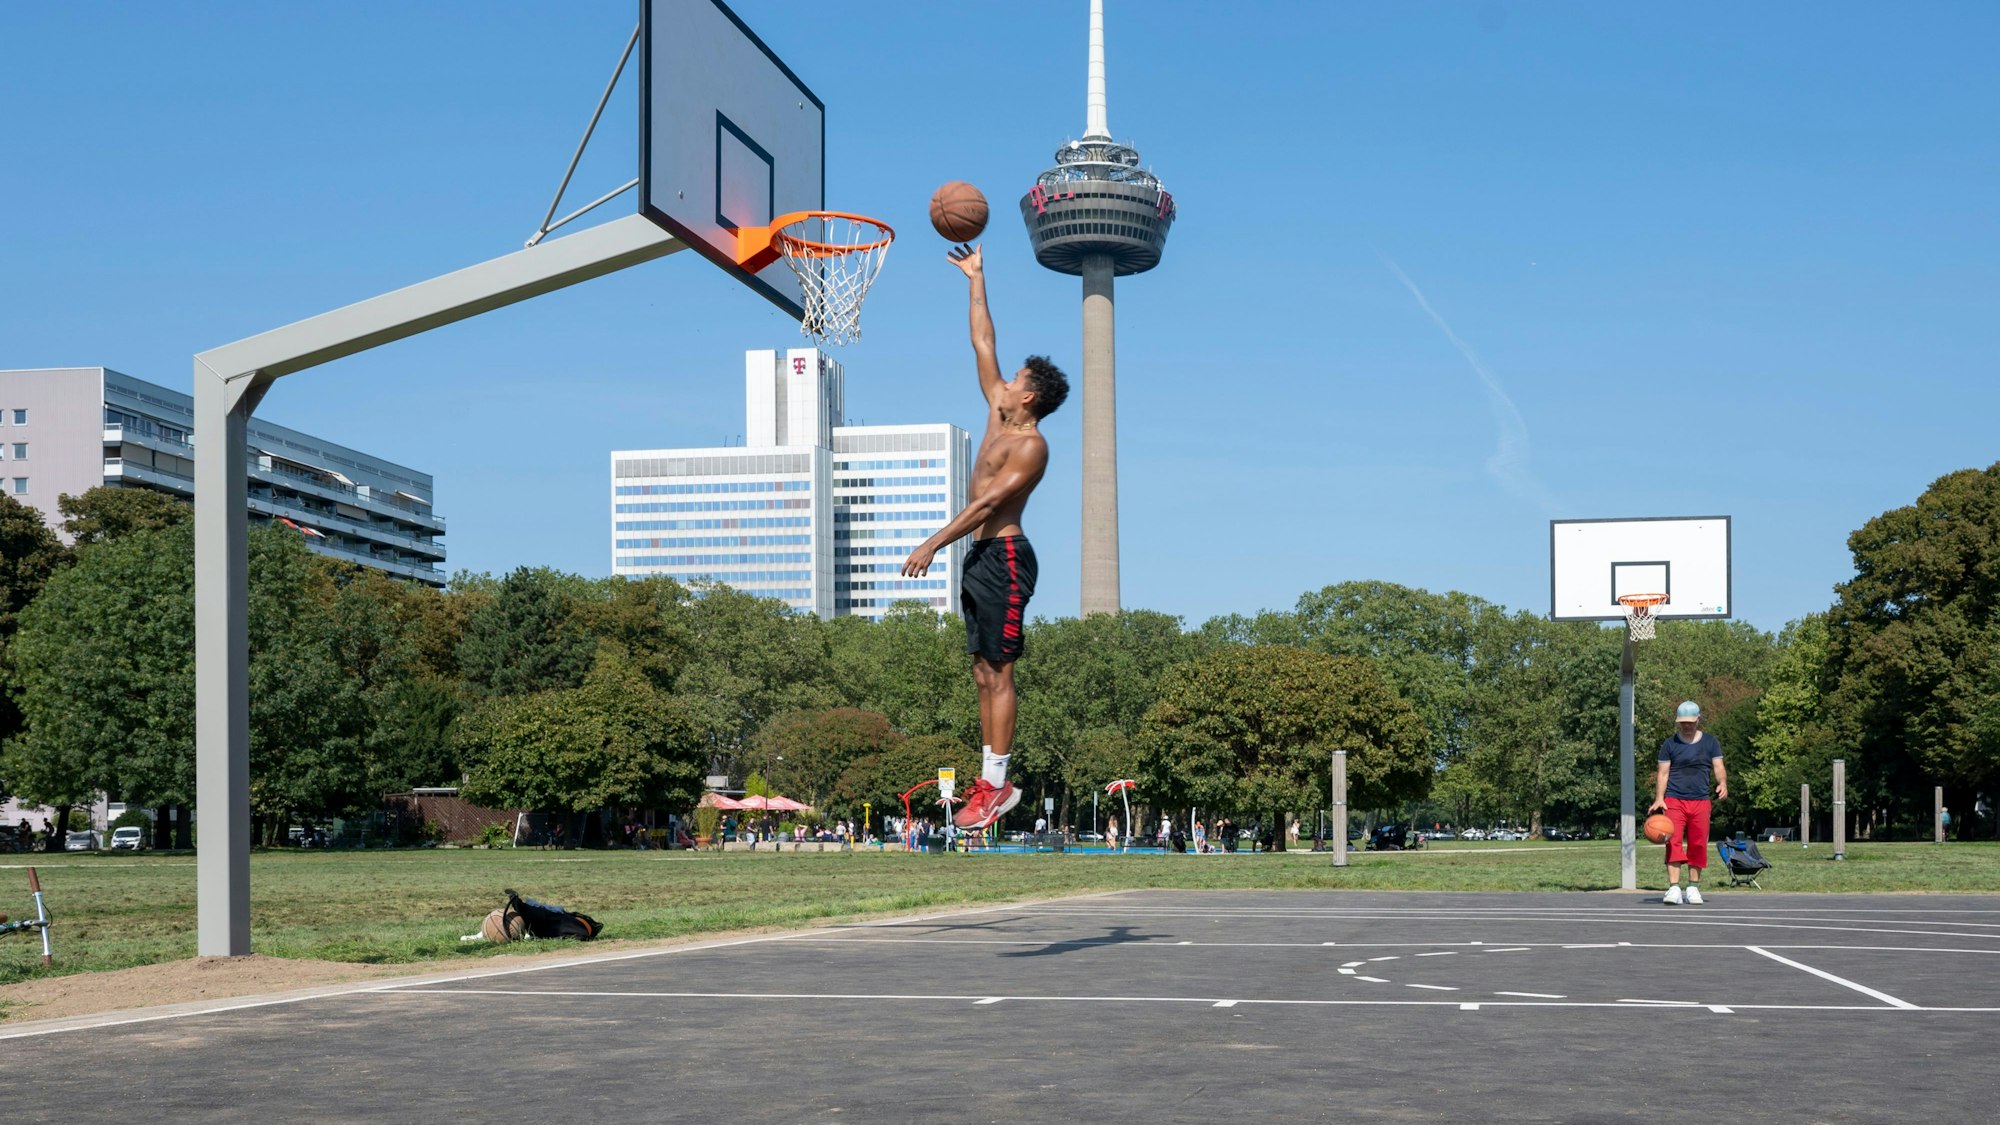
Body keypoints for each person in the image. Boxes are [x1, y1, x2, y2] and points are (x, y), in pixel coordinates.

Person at [902, 243, 1070, 832]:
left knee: (1000, 672)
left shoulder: (1032, 446)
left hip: (1004, 555)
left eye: (1017, 379)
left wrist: (931, 543)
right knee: (980, 672)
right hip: (980, 558)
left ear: (1029, 397)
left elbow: (989, 505)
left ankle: (997, 786)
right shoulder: (1000, 413)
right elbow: (983, 341)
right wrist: (975, 279)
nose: (1004, 380)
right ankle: (987, 782)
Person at [1651, 699, 1727, 905]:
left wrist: (1722, 783)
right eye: (1683, 722)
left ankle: (1693, 888)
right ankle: (1674, 889)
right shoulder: (1669, 744)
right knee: (1673, 842)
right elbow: (1663, 773)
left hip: (1700, 801)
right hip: (1674, 800)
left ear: (1698, 720)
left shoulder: (1710, 742)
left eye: (1690, 721)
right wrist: (1659, 798)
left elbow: (1718, 766)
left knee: (1698, 844)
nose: (1686, 725)